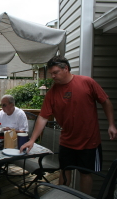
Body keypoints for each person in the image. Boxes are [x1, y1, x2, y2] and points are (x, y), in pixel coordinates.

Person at [20, 55, 117, 195]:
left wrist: (111, 125)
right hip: (67, 141)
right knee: (65, 173)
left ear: (65, 69)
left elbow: (106, 101)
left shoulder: (87, 82)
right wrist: (32, 140)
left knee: (85, 174)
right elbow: (43, 117)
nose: (52, 76)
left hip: (89, 141)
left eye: (55, 73)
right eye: (51, 73)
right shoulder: (52, 93)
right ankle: (62, 196)